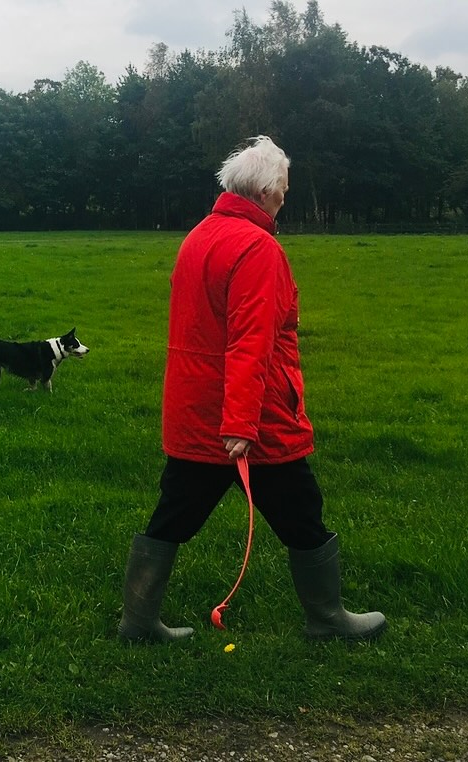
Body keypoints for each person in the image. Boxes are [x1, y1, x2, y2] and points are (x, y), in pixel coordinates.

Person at [118, 136, 386, 643]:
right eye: (283, 189)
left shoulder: (200, 236)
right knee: (302, 510)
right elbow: (251, 342)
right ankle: (328, 619)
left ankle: (136, 622)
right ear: (264, 191)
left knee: (174, 513)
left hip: (197, 414)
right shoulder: (258, 248)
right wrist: (240, 425)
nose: (286, 198)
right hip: (252, 425)